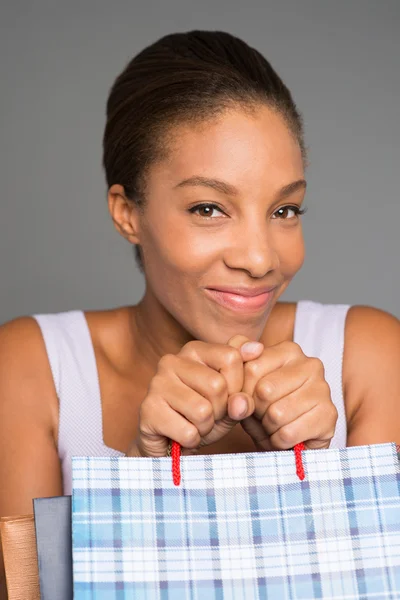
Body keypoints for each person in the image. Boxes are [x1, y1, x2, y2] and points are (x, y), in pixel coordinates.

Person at [0, 29, 399, 596]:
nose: (261, 258)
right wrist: (144, 476)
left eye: (285, 208)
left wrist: (310, 481)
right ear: (127, 212)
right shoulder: (33, 368)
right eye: (209, 208)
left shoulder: (368, 357)